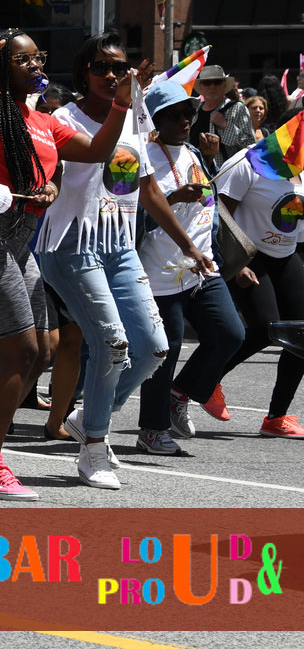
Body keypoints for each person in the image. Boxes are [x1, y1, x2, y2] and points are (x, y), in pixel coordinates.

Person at [0, 23, 128, 501]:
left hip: (20, 239)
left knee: (42, 349)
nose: (35, 64)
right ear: (1, 66)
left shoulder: (46, 120)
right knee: (18, 353)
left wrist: (121, 103)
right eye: (23, 59)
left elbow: (98, 150)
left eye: (38, 57)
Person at [39, 32, 206, 490]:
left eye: (118, 67)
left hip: (119, 246)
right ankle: (94, 447)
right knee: (111, 344)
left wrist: (188, 245)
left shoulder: (136, 116)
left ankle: (89, 416)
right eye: (100, 68)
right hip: (72, 245)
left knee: (153, 346)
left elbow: (148, 189)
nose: (111, 75)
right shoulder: (61, 118)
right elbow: (47, 175)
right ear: (83, 74)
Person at [137, 79, 244, 452]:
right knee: (165, 353)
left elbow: (207, 204)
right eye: (177, 115)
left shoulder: (193, 154)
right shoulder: (143, 158)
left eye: (191, 113)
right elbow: (135, 218)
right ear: (156, 119)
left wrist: (211, 160)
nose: (186, 121)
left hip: (202, 267)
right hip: (161, 274)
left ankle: (180, 394)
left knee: (231, 333)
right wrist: (172, 196)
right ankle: (152, 430)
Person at [215, 105, 304, 438]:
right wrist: (236, 264)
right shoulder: (246, 163)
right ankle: (204, 380)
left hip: (285, 255)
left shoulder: (301, 168)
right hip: (247, 254)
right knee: (265, 328)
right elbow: (219, 214)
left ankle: (276, 418)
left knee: (302, 333)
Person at [190, 64, 254, 163]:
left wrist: (225, 125)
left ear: (224, 85)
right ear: (200, 87)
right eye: (207, 83)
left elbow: (251, 146)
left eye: (217, 82)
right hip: (196, 174)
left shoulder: (238, 108)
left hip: (224, 174)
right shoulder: (193, 111)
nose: (212, 86)